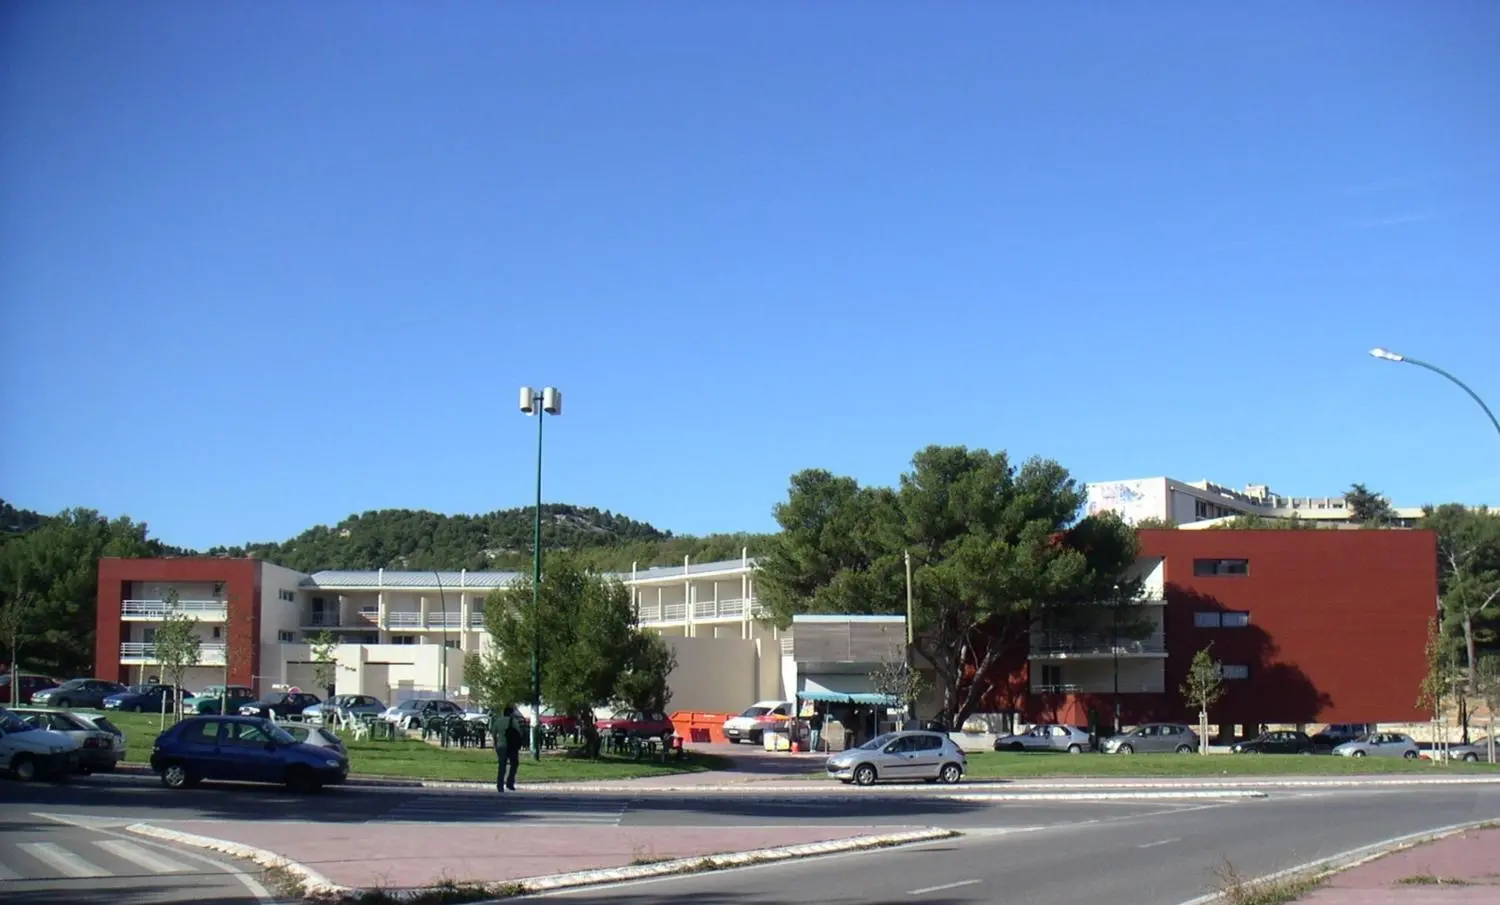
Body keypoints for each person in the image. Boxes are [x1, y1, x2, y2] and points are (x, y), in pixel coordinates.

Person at [490, 704, 524, 793]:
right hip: (511, 746)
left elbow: (493, 733)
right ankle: (510, 782)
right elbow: (519, 733)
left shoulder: (498, 721)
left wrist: (495, 744)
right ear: (511, 713)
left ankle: (500, 785)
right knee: (514, 764)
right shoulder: (513, 721)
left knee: (502, 766)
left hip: (501, 745)